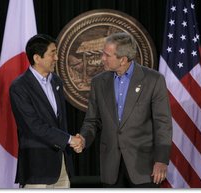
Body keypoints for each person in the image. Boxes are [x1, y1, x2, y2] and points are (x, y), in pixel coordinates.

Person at [72, 32, 172, 188]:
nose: (102, 58)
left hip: (144, 167)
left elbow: (163, 124)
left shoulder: (153, 80)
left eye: (107, 55)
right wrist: (84, 139)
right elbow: (92, 120)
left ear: (123, 59)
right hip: (111, 167)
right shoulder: (99, 82)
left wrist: (161, 160)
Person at [9, 34, 82, 188]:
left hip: (61, 165)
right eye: (52, 53)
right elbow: (33, 126)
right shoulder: (19, 87)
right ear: (37, 58)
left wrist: (72, 142)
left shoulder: (57, 81)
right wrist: (70, 140)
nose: (56, 58)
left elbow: (59, 122)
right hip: (37, 167)